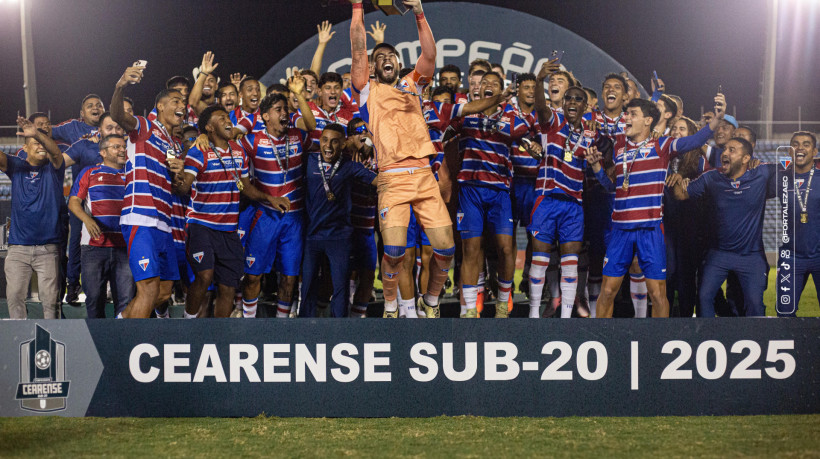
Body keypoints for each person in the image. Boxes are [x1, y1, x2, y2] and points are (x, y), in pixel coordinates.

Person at [349, 0, 456, 318]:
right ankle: (392, 305)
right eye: (378, 57)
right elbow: (358, 47)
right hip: (392, 178)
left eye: (391, 56)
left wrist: (419, 11)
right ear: (371, 65)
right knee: (394, 251)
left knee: (446, 249)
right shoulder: (367, 90)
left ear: (398, 63)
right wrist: (357, 6)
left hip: (424, 174)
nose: (386, 59)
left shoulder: (413, 85)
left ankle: (432, 300)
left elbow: (430, 56)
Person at [588, 93, 727, 318]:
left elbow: (694, 141)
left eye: (633, 114)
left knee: (658, 293)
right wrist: (596, 168)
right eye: (626, 114)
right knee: (607, 290)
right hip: (620, 229)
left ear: (648, 120)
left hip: (650, 229)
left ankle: (656, 345)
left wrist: (716, 120)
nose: (626, 119)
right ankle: (601, 341)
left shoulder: (662, 145)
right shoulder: (619, 146)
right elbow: (611, 187)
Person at [172, 105, 273, 318]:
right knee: (205, 276)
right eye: (221, 118)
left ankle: (220, 335)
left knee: (229, 286)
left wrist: (270, 198)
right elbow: (184, 187)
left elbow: (246, 187)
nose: (228, 121)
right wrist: (178, 180)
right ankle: (187, 323)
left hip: (228, 230)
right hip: (201, 225)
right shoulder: (198, 151)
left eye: (228, 117)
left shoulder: (239, 151)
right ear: (209, 127)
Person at [527, 60, 610, 319]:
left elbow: (602, 157)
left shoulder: (590, 135)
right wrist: (540, 80)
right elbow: (540, 107)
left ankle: (566, 319)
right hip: (547, 199)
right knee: (540, 260)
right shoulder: (553, 122)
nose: (572, 103)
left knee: (570, 262)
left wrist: (598, 163)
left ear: (586, 107)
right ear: (564, 103)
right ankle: (532, 315)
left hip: (574, 204)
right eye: (569, 99)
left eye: (578, 100)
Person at [667, 137, 775, 317]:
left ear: (746, 158)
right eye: (725, 149)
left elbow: (791, 169)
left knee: (755, 304)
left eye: (732, 150)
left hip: (750, 255)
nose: (725, 153)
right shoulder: (711, 177)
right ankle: (707, 339)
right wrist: (676, 178)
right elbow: (681, 195)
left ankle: (758, 341)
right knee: (703, 297)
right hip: (719, 254)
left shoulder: (761, 173)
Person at [111, 62, 184, 318]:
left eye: (183, 102)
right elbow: (119, 117)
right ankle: (131, 349)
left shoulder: (173, 141)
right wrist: (120, 85)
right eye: (175, 100)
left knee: (164, 291)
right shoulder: (144, 126)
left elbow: (177, 186)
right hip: (141, 218)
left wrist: (178, 173)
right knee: (148, 290)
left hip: (165, 224)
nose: (182, 106)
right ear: (160, 106)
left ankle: (120, 324)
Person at [237, 90, 316, 319]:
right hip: (265, 216)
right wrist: (267, 198)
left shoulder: (298, 136)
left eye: (286, 110)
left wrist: (300, 96)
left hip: (294, 219)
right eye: (278, 110)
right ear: (265, 117)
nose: (285, 114)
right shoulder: (252, 141)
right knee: (253, 276)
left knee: (289, 277)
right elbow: (240, 182)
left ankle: (281, 329)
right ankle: (248, 325)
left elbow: (311, 126)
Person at [454, 71, 525, 318]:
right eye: (485, 83)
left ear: (501, 89)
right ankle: (470, 309)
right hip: (470, 189)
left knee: (506, 248)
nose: (489, 86)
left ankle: (503, 304)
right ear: (478, 88)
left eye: (495, 84)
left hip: (500, 190)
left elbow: (521, 134)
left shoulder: (510, 115)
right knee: (471, 249)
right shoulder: (465, 113)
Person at [299, 124, 378, 317]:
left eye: (335, 141)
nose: (328, 146)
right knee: (308, 286)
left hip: (339, 238)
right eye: (325, 140)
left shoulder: (350, 166)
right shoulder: (308, 160)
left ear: (343, 144)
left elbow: (379, 181)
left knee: (340, 288)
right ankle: (303, 329)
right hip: (312, 236)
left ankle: (339, 331)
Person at [3, 117, 66, 319]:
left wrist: (37, 134)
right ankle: (19, 337)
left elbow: (55, 152)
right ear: (25, 147)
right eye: (35, 143)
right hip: (18, 248)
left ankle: (54, 341)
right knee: (14, 297)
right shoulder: (16, 166)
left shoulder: (54, 168)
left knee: (50, 302)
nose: (40, 147)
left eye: (42, 142)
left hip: (47, 249)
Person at [62, 112, 127, 304]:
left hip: (124, 245)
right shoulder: (89, 170)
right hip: (94, 246)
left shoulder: (132, 170)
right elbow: (73, 200)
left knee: (124, 300)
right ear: (103, 151)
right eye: (116, 147)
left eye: (122, 146)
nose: (121, 150)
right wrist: (88, 220)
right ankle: (72, 284)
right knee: (94, 301)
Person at [778, 132, 819, 315]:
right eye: (795, 144)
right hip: (791, 257)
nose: (800, 147)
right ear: (789, 150)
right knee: (785, 313)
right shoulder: (779, 177)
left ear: (815, 151)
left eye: (806, 144)